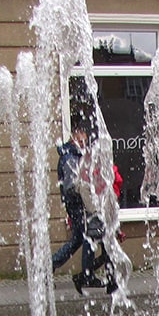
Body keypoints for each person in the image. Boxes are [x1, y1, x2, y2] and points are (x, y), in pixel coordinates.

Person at [50, 121, 112, 295]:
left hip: (78, 205)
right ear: (74, 137)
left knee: (78, 239)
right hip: (78, 206)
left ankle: (49, 267)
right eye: (81, 138)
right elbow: (71, 186)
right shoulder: (70, 157)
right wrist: (85, 190)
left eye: (85, 139)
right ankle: (86, 275)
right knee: (88, 237)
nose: (84, 142)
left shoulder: (76, 155)